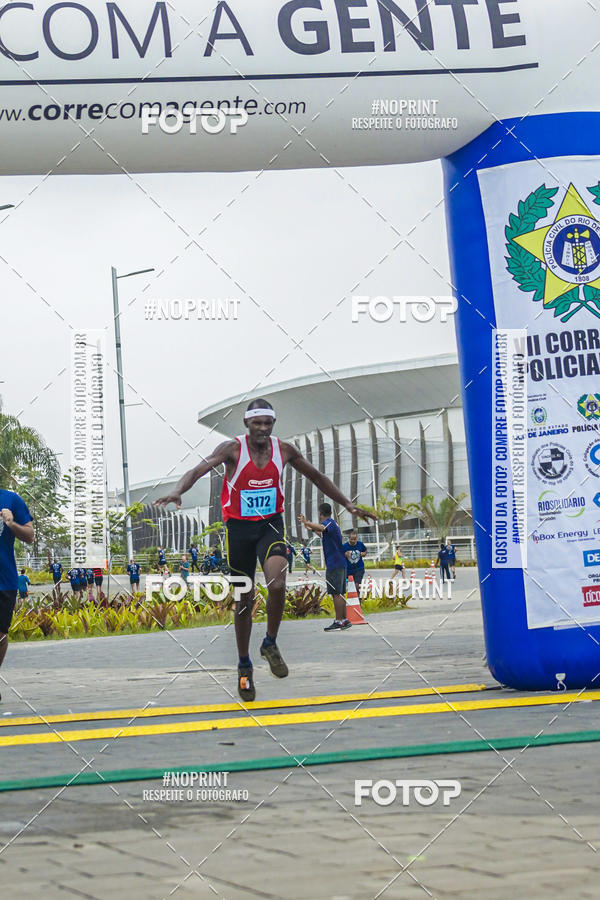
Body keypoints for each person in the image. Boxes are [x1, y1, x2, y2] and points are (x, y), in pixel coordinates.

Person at [154, 398, 376, 701]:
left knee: (278, 582)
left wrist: (347, 503)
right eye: (256, 423)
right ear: (246, 424)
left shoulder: (283, 450)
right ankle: (244, 665)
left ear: (273, 424)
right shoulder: (231, 449)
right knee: (243, 599)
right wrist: (177, 491)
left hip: (270, 525)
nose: (262, 428)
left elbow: (317, 477)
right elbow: (198, 469)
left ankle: (270, 642)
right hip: (238, 531)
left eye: (267, 423)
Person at [299, 504, 352, 632]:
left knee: (335, 593)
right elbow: (323, 534)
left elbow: (322, 527)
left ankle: (339, 620)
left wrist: (307, 522)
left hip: (334, 564)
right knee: (340, 593)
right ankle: (344, 620)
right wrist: (310, 527)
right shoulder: (333, 525)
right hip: (340, 563)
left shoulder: (329, 523)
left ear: (320, 513)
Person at [0, 493, 33, 679]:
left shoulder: (10, 499)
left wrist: (11, 524)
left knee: (1, 634)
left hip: (3, 580)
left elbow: (29, 536)